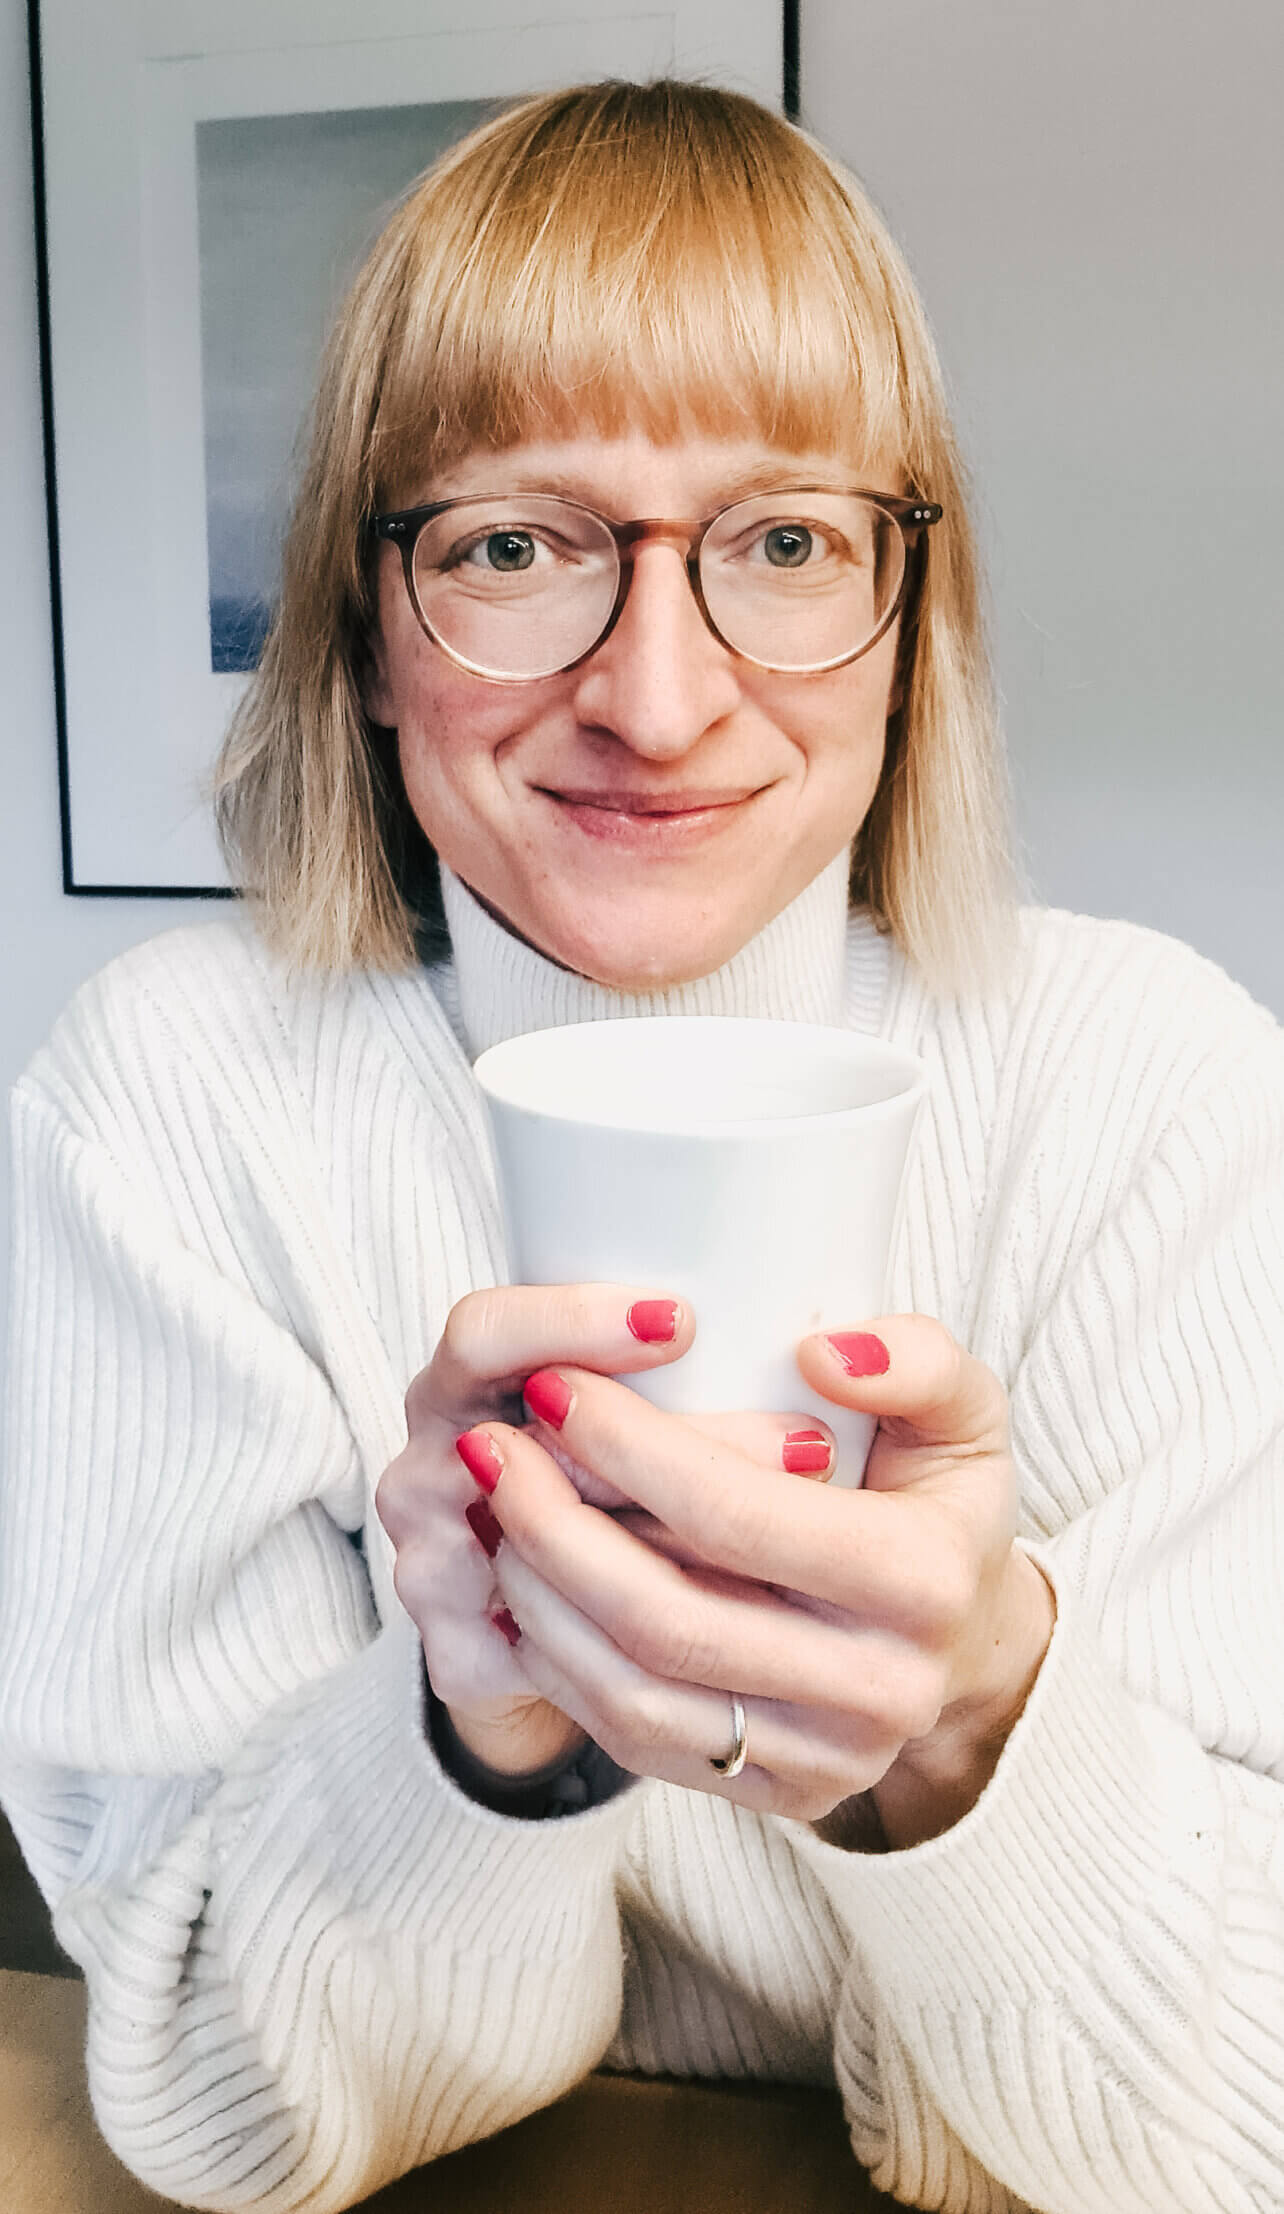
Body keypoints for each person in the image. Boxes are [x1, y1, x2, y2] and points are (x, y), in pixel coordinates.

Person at [1, 76, 1281, 2214]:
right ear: (366, 629)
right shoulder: (171, 1109)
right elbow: (224, 2109)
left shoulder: (1153, 1088)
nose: (660, 700)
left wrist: (968, 1729)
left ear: (909, 625)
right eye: (514, 545)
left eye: (783, 543)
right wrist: (478, 1741)